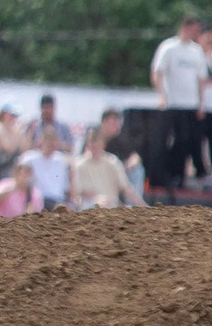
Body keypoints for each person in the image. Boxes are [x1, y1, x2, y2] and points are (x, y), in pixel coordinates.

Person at [154, 14, 210, 187]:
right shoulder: (169, 47)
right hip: (174, 103)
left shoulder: (196, 51)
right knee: (178, 140)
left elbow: (201, 79)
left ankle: (183, 176)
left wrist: (200, 103)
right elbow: (158, 72)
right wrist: (162, 95)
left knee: (191, 141)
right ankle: (172, 174)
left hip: (191, 104)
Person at [73, 118, 148, 210]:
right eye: (92, 144)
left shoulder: (112, 162)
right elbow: (78, 191)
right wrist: (97, 199)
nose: (95, 148)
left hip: (111, 206)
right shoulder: (80, 164)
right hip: (89, 206)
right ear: (88, 144)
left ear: (103, 145)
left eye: (97, 145)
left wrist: (144, 206)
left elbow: (126, 188)